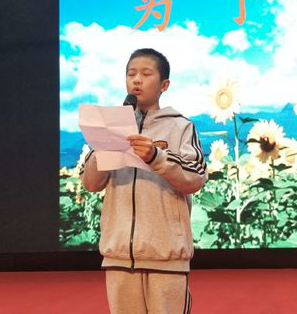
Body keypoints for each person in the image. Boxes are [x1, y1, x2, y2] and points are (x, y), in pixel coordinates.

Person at [80, 48, 207, 314]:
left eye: (146, 74)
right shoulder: (110, 127)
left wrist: (155, 156)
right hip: (118, 256)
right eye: (131, 74)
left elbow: (196, 177)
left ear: (164, 85)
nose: (136, 79)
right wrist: (102, 149)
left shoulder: (180, 127)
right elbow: (90, 184)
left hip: (166, 255)